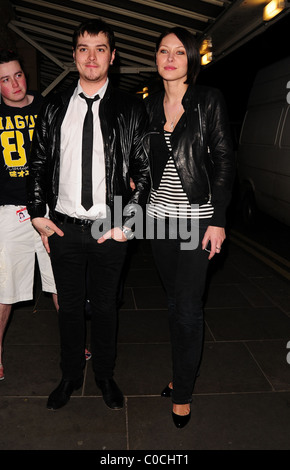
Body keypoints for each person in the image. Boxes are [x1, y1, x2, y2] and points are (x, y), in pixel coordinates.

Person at [26, 19, 150, 411]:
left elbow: (146, 170)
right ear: (74, 55)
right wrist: (36, 213)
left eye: (100, 48)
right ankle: (69, 376)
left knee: (106, 307)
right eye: (83, 48)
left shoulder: (131, 107)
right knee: (68, 309)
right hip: (63, 225)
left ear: (112, 56)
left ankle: (105, 377)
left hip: (107, 226)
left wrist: (127, 224)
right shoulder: (55, 105)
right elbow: (39, 161)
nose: (91, 56)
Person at [145, 27, 235, 428]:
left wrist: (217, 220)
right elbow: (141, 159)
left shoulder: (207, 101)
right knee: (172, 302)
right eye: (163, 51)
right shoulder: (149, 105)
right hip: (158, 220)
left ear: (190, 60)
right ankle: (181, 372)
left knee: (186, 307)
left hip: (196, 220)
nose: (169, 57)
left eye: (179, 51)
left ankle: (183, 392)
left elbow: (224, 162)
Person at [0, 49, 58, 381]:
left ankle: (74, 347)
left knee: (61, 285)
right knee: (4, 292)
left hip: (50, 209)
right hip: (11, 213)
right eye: (5, 80)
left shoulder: (47, 107)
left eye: (18, 75)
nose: (15, 83)